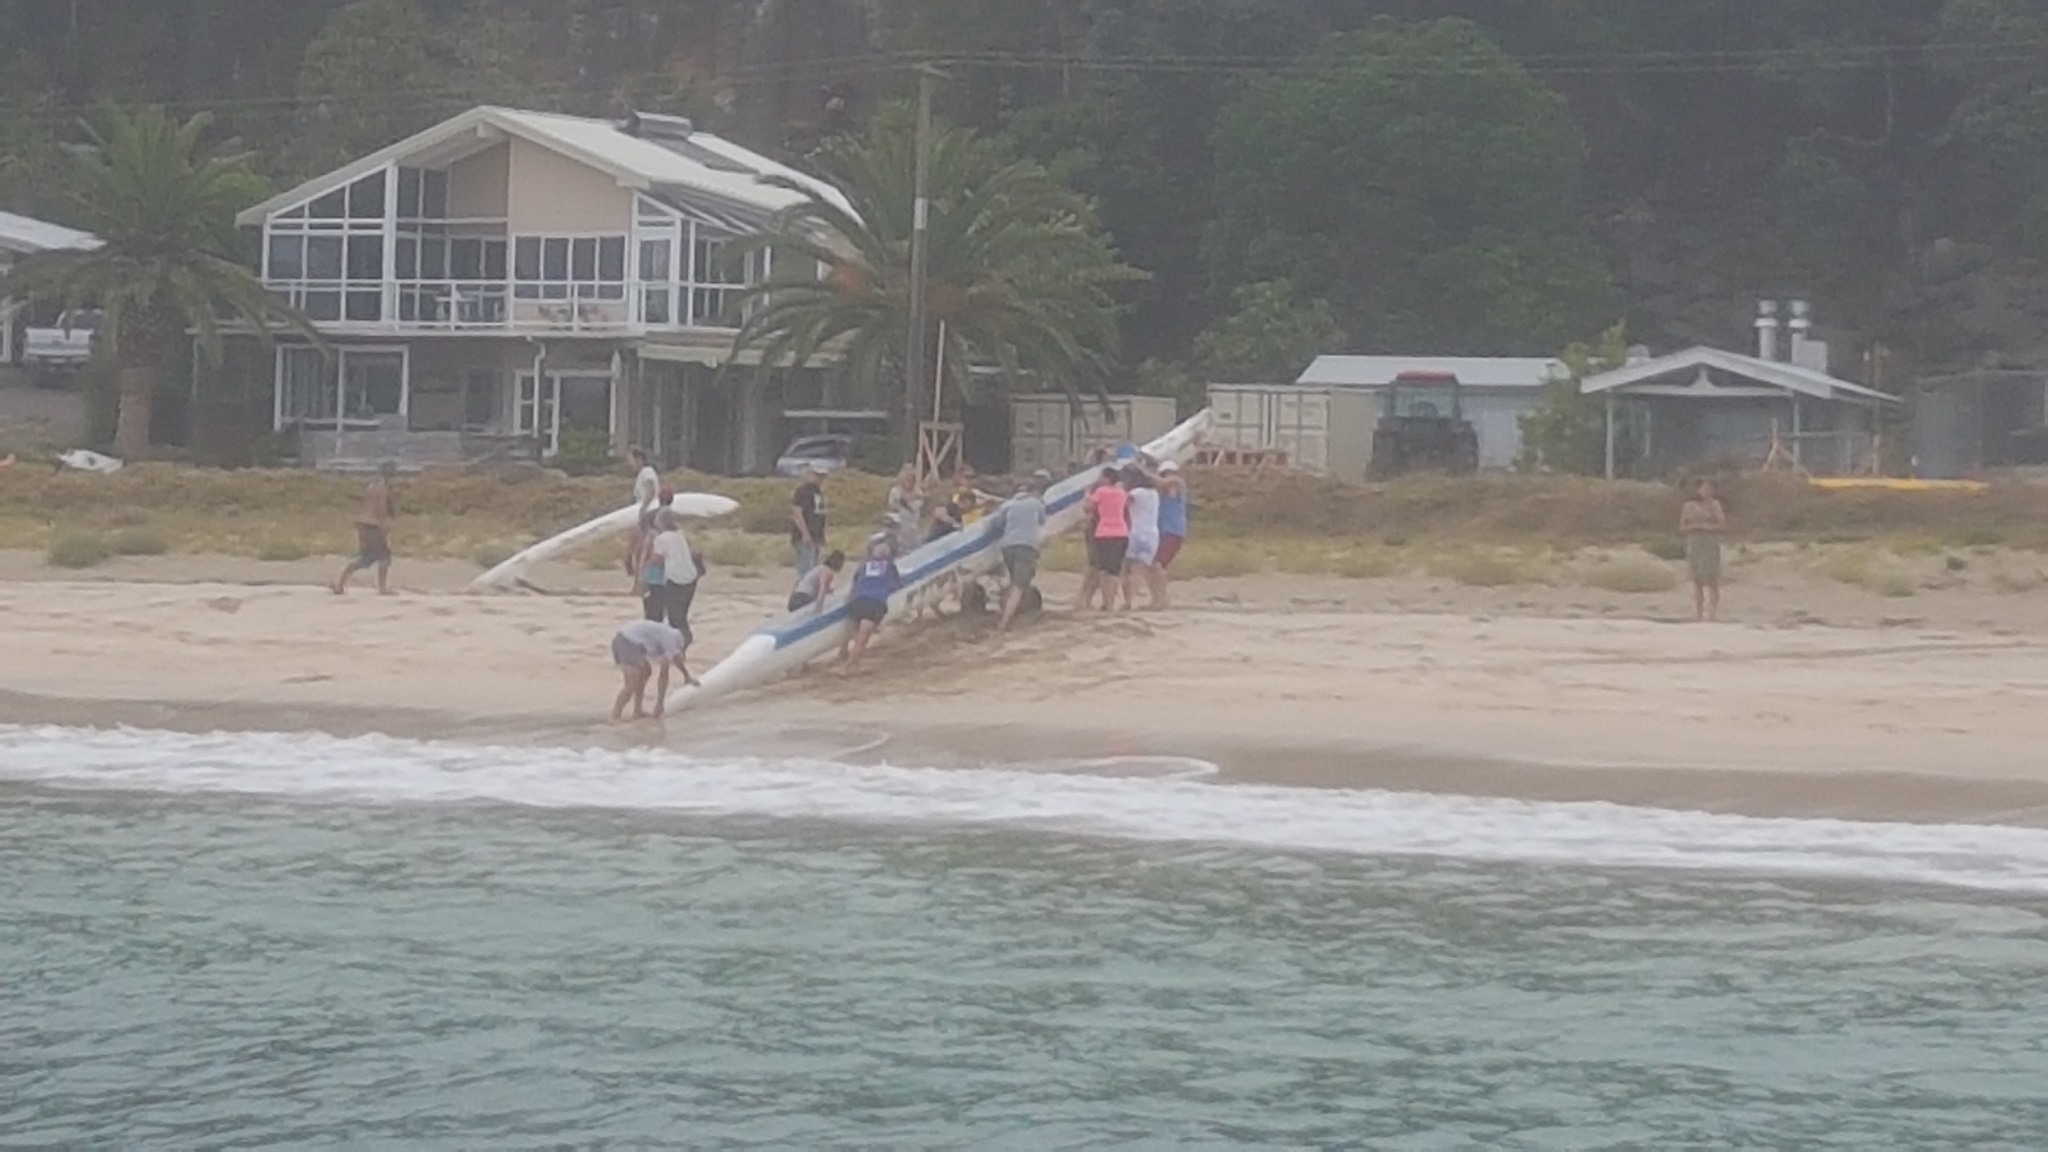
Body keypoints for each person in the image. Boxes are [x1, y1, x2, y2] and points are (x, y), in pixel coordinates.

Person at [609, 618, 694, 722]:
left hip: (623, 640)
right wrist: (660, 703)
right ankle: (615, 716)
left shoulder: (670, 635)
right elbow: (664, 674)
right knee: (633, 682)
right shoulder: (672, 639)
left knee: (645, 672)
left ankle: (637, 710)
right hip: (627, 643)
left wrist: (687, 676)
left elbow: (676, 659)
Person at [333, 461, 397, 595]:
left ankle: (340, 583)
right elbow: (381, 507)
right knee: (383, 556)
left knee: (366, 557)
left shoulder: (372, 485)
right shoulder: (383, 487)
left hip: (363, 523)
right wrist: (384, 524)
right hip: (373, 525)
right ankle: (382, 588)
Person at [995, 471, 1049, 631]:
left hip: (1007, 545)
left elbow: (996, 524)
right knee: (1019, 585)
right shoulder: (1036, 503)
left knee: (1014, 582)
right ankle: (1004, 622)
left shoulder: (1007, 505)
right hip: (1026, 545)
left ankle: (1009, 610)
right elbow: (1042, 520)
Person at [842, 538, 903, 672]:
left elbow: (855, 582)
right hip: (875, 602)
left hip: (858, 600)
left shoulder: (864, 565)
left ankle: (854, 661)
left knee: (858, 634)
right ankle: (848, 665)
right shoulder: (890, 566)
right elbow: (896, 585)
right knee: (863, 638)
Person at [1080, 466, 1131, 611]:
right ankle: (1112, 602)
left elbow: (1088, 507)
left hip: (1105, 532)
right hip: (1122, 532)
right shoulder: (1122, 492)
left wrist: (1087, 494)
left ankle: (1106, 602)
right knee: (1115, 570)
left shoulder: (1101, 492)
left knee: (1103, 570)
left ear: (1107, 478)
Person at [650, 509, 702, 648]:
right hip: (691, 577)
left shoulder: (661, 539)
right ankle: (682, 641)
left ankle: (682, 642)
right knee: (681, 614)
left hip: (675, 579)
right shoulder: (679, 534)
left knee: (675, 617)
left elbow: (657, 560)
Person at [1679, 478, 1729, 623]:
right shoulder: (1689, 506)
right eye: (1703, 489)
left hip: (1710, 543)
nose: (1706, 492)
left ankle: (1712, 613)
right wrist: (1694, 527)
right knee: (1697, 580)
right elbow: (1682, 527)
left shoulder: (1715, 505)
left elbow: (1722, 525)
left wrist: (1706, 527)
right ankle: (1698, 612)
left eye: (1709, 489)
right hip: (1695, 543)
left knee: (1712, 580)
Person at [1122, 467, 1166, 611]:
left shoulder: (1135, 493)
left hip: (1135, 532)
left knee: (1128, 569)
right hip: (1152, 534)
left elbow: (1123, 505)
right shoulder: (1154, 493)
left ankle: (1129, 601)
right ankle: (1159, 599)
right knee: (1147, 567)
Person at [625, 447, 661, 578]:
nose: (630, 464)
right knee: (637, 547)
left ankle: (641, 580)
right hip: (644, 512)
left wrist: (644, 507)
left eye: (631, 460)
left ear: (639, 460)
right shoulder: (642, 474)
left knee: (642, 549)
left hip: (648, 514)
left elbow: (651, 488)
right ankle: (633, 570)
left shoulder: (647, 471)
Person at [790, 462, 828, 577]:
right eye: (816, 475)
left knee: (813, 570)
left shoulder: (818, 492)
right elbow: (797, 512)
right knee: (805, 571)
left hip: (816, 535)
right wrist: (805, 533)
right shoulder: (803, 491)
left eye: (822, 476)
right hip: (805, 536)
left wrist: (821, 535)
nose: (819, 478)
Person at [1156, 460, 1189, 573]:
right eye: (1166, 473)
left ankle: (1159, 588)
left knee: (1158, 563)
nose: (1168, 476)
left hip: (1173, 530)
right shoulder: (1161, 490)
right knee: (1156, 563)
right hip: (1163, 530)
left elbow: (1171, 483)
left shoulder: (1178, 483)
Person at [885, 464, 926, 558]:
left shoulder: (918, 493)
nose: (907, 482)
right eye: (905, 479)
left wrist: (907, 501)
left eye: (910, 479)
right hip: (897, 527)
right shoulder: (894, 491)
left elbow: (915, 508)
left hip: (912, 527)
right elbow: (891, 507)